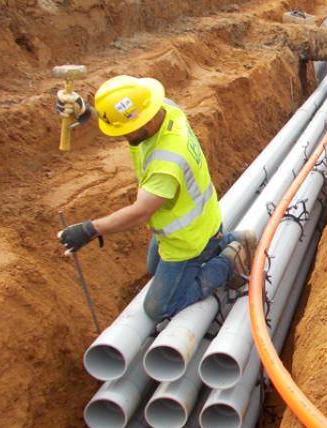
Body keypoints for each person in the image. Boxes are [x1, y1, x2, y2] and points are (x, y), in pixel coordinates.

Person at [56, 75, 256, 321]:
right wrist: (87, 112)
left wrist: (90, 229)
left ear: (146, 120)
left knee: (157, 308)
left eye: (126, 131)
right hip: (197, 219)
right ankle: (226, 240)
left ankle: (226, 261)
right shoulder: (165, 109)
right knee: (153, 268)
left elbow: (141, 212)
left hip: (188, 240)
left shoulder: (166, 160)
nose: (123, 137)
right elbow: (128, 118)